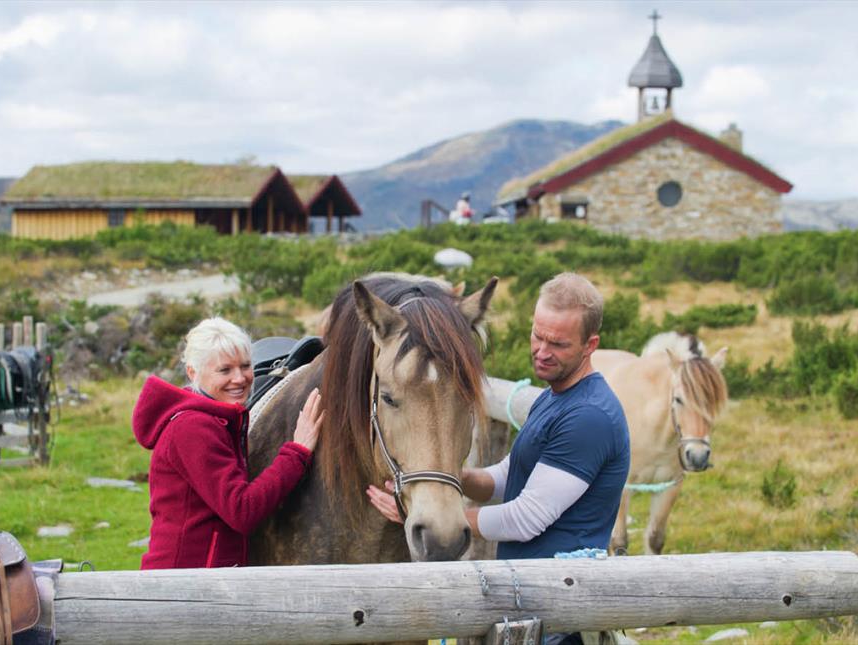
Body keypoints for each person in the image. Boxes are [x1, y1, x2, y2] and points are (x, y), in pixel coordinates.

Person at [367, 273, 628, 644]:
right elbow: (511, 475)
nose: (542, 350)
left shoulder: (589, 417)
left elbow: (525, 519)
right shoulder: (554, 398)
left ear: (590, 345)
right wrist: (443, 477)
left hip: (562, 615)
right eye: (538, 335)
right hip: (533, 606)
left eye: (558, 343)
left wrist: (440, 518)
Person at [134, 316, 324, 569]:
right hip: (183, 587)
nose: (240, 378)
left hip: (201, 578)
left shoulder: (218, 418)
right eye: (225, 370)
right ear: (193, 373)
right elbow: (241, 511)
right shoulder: (193, 428)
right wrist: (297, 452)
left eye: (245, 366)